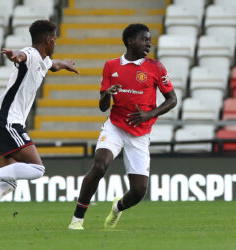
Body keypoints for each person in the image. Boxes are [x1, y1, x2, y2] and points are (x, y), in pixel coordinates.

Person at [0, 20, 78, 232]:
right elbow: (22, 55)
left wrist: (65, 64)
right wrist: (15, 56)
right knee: (37, 169)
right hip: (8, 121)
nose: (56, 43)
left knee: (9, 181)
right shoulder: (30, 55)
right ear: (49, 40)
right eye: (55, 39)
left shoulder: (43, 60)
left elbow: (52, 65)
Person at [68, 23, 177, 230]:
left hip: (140, 133)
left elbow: (172, 99)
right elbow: (102, 107)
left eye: (149, 40)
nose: (149, 43)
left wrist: (149, 114)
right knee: (100, 165)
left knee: (138, 191)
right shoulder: (111, 65)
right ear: (130, 41)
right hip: (115, 125)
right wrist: (107, 94)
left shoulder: (156, 67)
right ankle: (77, 220)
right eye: (144, 39)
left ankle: (117, 209)